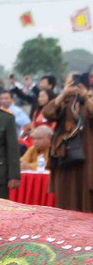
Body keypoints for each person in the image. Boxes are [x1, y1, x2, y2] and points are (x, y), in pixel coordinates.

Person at [43, 72, 93, 212]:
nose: (74, 86)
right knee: (66, 200)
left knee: (86, 204)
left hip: (87, 160)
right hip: (66, 158)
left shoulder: (88, 99)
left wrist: (86, 96)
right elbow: (47, 113)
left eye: (76, 82)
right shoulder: (65, 101)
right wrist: (64, 93)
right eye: (70, 83)